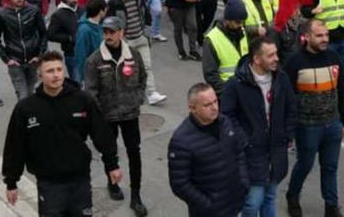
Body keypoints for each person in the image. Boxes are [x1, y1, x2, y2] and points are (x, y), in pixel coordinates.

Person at [2, 51, 122, 216]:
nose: (56, 75)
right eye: (50, 71)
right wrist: (11, 182)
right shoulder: (26, 109)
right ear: (40, 74)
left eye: (59, 69)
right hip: (48, 183)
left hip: (80, 179)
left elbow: (101, 134)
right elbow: (15, 147)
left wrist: (112, 164)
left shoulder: (83, 100)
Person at [221, 36, 297, 217]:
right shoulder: (235, 85)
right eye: (270, 55)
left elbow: (291, 107)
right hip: (251, 153)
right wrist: (244, 139)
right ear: (256, 58)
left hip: (276, 150)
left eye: (276, 54)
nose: (276, 59)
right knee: (252, 202)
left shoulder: (281, 78)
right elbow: (227, 117)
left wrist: (288, 133)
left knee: (270, 196)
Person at [83, 16, 148, 217]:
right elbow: (90, 91)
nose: (108, 35)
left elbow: (142, 78)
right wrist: (98, 114)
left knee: (134, 152)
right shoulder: (94, 60)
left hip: (130, 113)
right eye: (106, 32)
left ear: (121, 32)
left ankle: (136, 195)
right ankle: (113, 183)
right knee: (109, 153)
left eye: (112, 31)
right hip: (107, 116)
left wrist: (137, 99)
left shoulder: (134, 55)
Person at [284, 19, 344, 217]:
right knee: (305, 164)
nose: (324, 39)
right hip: (307, 126)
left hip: (332, 123)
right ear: (307, 36)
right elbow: (287, 97)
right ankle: (293, 197)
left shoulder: (334, 57)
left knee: (330, 167)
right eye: (319, 35)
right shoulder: (294, 62)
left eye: (326, 35)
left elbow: (341, 90)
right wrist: (290, 127)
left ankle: (331, 206)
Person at [168, 83, 249, 217]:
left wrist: (243, 182)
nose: (214, 108)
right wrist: (208, 204)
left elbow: (238, 152)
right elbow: (180, 184)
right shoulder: (181, 141)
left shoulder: (225, 122)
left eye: (215, 101)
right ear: (192, 108)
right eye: (207, 105)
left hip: (233, 204)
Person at [108, 0, 166, 105]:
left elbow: (145, 12)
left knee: (147, 67)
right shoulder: (114, 2)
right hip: (127, 41)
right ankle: (125, 95)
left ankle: (152, 93)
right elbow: (110, 21)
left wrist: (147, 30)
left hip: (141, 37)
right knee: (127, 69)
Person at [0, 0, 48, 100]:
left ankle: (31, 117)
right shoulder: (2, 15)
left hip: (33, 59)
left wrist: (39, 55)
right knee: (23, 96)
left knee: (32, 93)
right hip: (15, 60)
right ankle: (24, 117)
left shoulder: (34, 10)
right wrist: (7, 59)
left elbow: (43, 34)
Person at [202, 0, 248, 95]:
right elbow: (211, 75)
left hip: (244, 90)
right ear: (227, 20)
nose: (241, 25)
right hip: (226, 93)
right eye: (238, 22)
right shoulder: (212, 39)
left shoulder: (242, 32)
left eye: (243, 22)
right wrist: (227, 93)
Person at [48, 0, 81, 79]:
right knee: (76, 82)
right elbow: (50, 35)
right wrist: (68, 38)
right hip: (71, 53)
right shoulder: (58, 14)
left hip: (84, 52)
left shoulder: (80, 10)